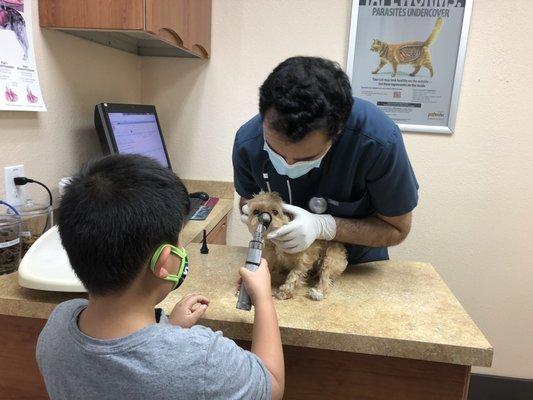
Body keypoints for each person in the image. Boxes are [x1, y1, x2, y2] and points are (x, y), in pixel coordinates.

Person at [36, 154, 284, 400]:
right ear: (164, 262)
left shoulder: (56, 326)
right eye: (180, 239)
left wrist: (169, 329)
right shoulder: (203, 358)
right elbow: (271, 384)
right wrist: (262, 298)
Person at [233, 56, 419, 265]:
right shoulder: (247, 142)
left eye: (306, 158)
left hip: (354, 267)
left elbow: (397, 228)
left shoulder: (378, 141)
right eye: (276, 153)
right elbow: (246, 199)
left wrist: (324, 226)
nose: (288, 164)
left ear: (338, 132)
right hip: (281, 262)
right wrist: (251, 215)